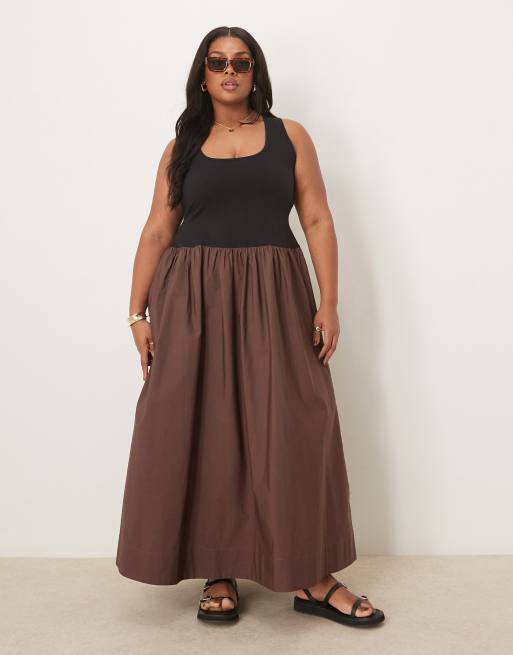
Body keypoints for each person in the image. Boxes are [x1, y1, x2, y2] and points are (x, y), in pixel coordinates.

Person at [116, 26, 385, 628]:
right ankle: (217, 568)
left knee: (294, 422)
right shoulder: (182, 146)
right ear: (203, 74)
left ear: (255, 71)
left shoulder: (291, 136)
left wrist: (330, 302)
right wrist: (137, 313)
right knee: (204, 425)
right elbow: (157, 230)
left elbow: (316, 219)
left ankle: (312, 576)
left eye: (241, 62)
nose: (230, 71)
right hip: (192, 296)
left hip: (274, 291)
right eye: (217, 62)